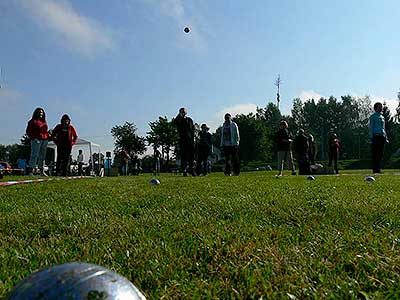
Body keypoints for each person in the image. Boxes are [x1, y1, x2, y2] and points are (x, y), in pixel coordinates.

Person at [26, 107, 49, 176]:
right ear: (36, 113)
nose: (40, 114)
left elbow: (45, 131)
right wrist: (33, 138)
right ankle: (31, 171)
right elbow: (28, 131)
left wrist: (48, 136)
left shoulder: (44, 122)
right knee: (34, 155)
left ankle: (41, 171)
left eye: (41, 112)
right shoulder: (32, 121)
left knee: (42, 156)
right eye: (39, 112)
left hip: (44, 140)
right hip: (36, 140)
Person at [173, 107, 196, 176]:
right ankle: (185, 170)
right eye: (181, 111)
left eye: (184, 111)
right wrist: (179, 115)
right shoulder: (179, 120)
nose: (183, 113)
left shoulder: (189, 120)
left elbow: (193, 130)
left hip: (190, 140)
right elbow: (175, 122)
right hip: (183, 140)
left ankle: (191, 169)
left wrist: (193, 139)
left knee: (191, 156)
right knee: (184, 156)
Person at [369, 102, 387, 173]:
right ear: (376, 108)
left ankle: (378, 168)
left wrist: (386, 137)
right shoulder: (373, 116)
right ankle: (375, 169)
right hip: (375, 136)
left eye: (381, 107)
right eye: (380, 107)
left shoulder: (382, 117)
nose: (381, 108)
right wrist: (371, 137)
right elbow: (371, 127)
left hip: (382, 136)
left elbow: (384, 127)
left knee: (380, 153)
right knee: (375, 153)